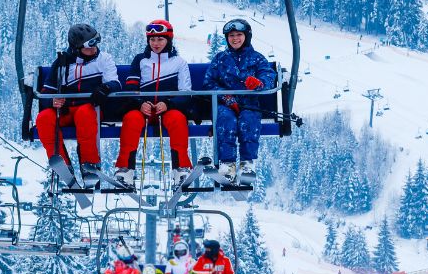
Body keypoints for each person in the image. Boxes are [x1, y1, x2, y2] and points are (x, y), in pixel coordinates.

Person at [35, 23, 121, 185]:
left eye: (96, 44)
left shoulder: (103, 59)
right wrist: (53, 101)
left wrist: (105, 88)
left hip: (90, 108)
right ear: (76, 47)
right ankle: (62, 164)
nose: (94, 50)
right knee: (44, 118)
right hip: (66, 110)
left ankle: (89, 165)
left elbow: (115, 82)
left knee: (85, 114)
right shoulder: (62, 64)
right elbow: (46, 93)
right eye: (90, 46)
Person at [113, 19, 194, 186]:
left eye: (160, 39)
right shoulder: (141, 60)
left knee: (178, 120)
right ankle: (125, 169)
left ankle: (181, 169)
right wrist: (140, 103)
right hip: (143, 109)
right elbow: (131, 88)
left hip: (168, 109)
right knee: (131, 120)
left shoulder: (179, 63)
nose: (156, 43)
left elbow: (185, 93)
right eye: (152, 39)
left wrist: (168, 104)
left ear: (168, 40)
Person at [203, 19, 275, 181]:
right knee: (225, 119)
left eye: (239, 35)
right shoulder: (221, 58)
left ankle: (246, 163)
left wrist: (259, 84)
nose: (235, 39)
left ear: (246, 36)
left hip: (249, 104)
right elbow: (209, 82)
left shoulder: (256, 59)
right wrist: (226, 97)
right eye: (231, 35)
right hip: (225, 105)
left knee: (248, 120)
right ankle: (227, 164)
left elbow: (269, 76)